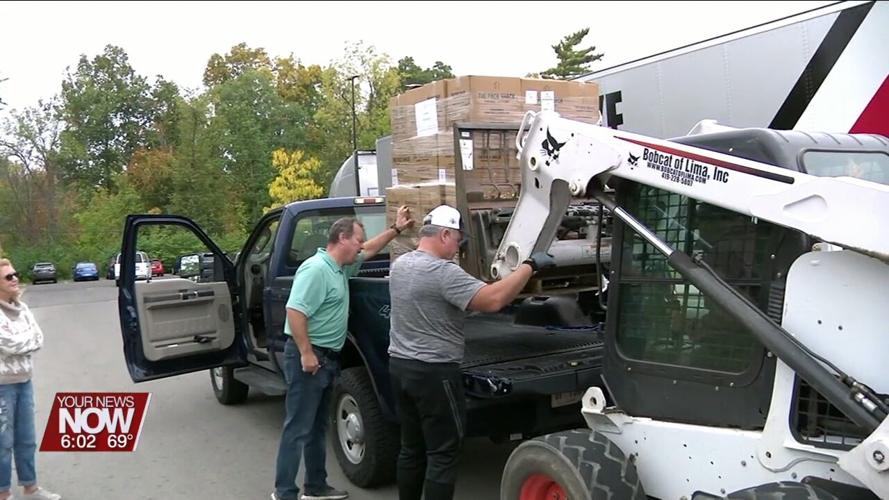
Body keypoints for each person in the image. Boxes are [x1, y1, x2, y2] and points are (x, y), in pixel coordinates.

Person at [387, 205, 554, 500]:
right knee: (443, 453)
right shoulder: (443, 272)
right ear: (444, 234)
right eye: (457, 240)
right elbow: (494, 300)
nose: (458, 248)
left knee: (411, 449)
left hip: (400, 367)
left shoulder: (401, 265)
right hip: (434, 373)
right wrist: (530, 265)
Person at [273, 206, 414, 500]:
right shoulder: (316, 270)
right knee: (297, 428)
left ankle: (316, 487)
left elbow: (371, 249)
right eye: (357, 240)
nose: (361, 245)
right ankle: (283, 492)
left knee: (316, 427)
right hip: (310, 359)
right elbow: (295, 312)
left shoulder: (341, 267)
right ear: (341, 238)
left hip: (328, 359)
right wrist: (306, 353)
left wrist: (397, 229)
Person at [0, 259, 61, 500]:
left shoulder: (22, 308)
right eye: (8, 276)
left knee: (26, 438)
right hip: (2, 386)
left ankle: (31, 488)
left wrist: (23, 343)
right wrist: (24, 342)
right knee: (3, 443)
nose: (15, 278)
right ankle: (3, 493)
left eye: (15, 274)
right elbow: (9, 344)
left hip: (24, 380)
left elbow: (38, 338)